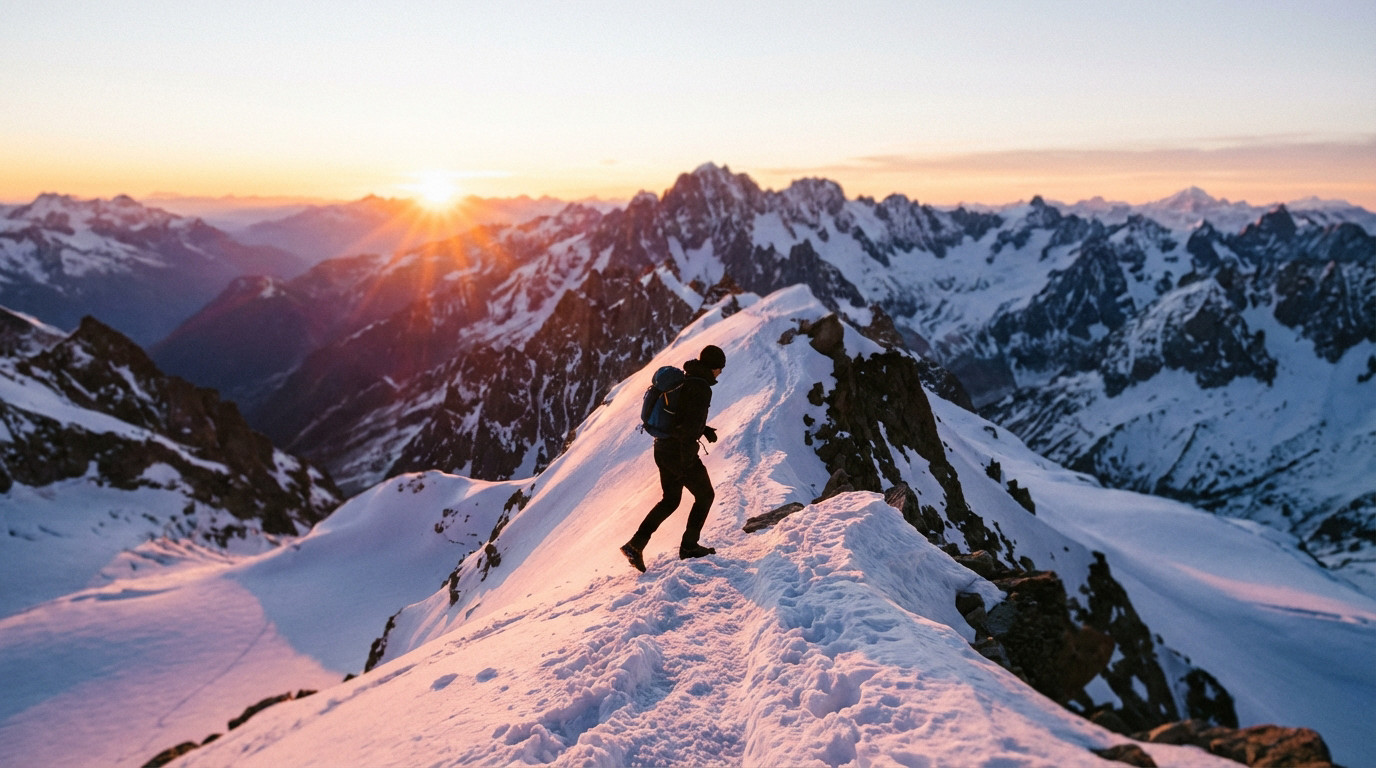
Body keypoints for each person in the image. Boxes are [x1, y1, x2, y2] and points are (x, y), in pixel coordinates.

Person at [620, 344, 726, 572]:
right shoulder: (701, 388)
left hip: (662, 448)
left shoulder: (688, 380)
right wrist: (688, 461)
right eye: (720, 369)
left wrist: (703, 429)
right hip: (678, 453)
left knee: (670, 500)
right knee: (705, 495)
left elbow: (683, 418)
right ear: (714, 367)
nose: (720, 373)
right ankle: (689, 547)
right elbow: (687, 428)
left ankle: (635, 544)